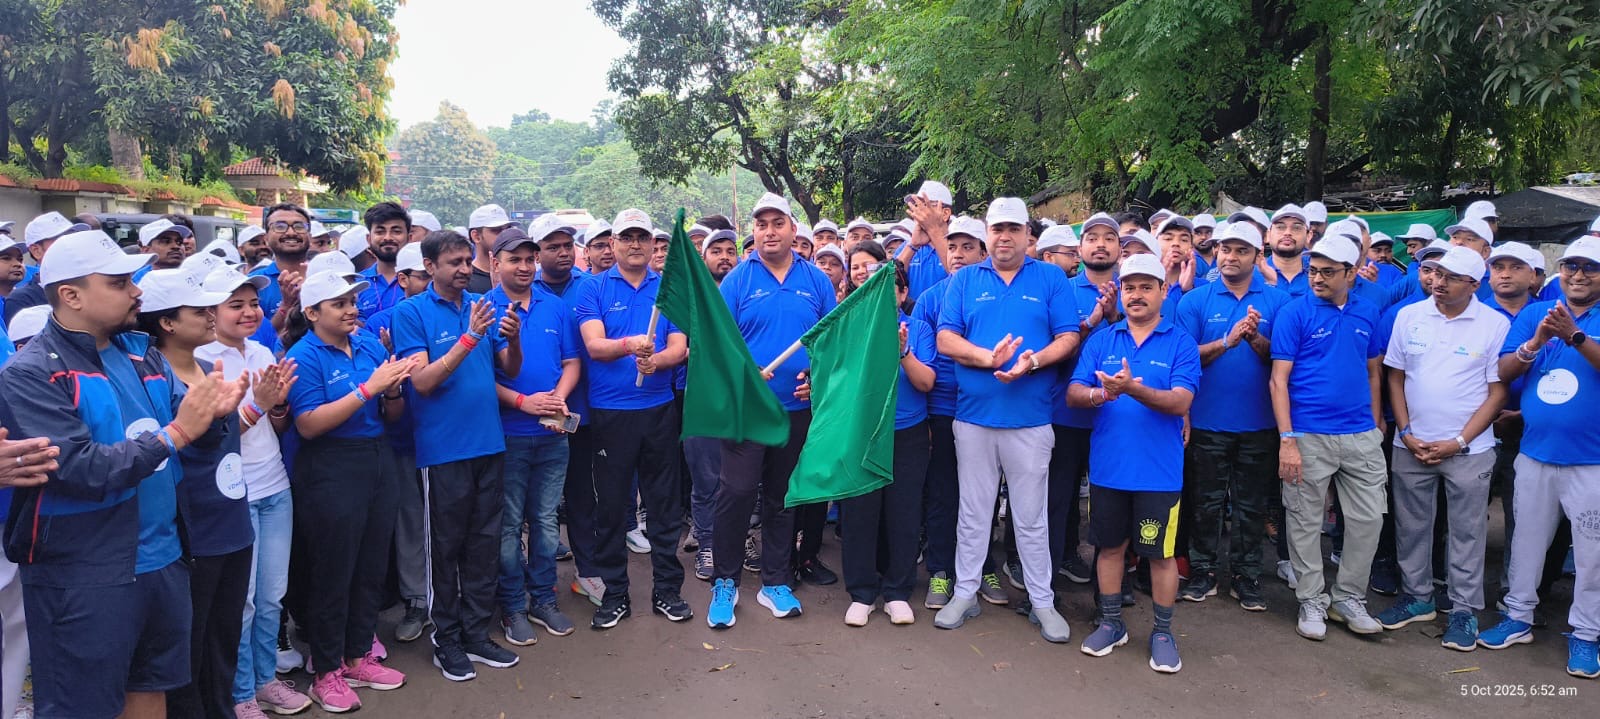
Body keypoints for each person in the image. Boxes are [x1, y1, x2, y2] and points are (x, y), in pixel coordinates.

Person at [0, 229, 243, 719]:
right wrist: (178, 432)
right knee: (82, 704)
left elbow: (190, 435)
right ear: (71, 295)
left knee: (150, 690)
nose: (136, 291)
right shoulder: (31, 372)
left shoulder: (141, 352)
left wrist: (214, 417)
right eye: (118, 283)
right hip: (85, 574)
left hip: (164, 559)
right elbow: (80, 468)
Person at [932, 197, 1082, 643]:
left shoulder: (1050, 278)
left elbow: (1069, 337)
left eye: (1013, 229)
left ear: (1027, 235)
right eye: (997, 229)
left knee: (1031, 518)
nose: (1004, 237)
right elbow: (945, 338)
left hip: (1031, 420)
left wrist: (1032, 361)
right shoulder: (964, 280)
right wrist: (987, 358)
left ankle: (1042, 601)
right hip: (973, 418)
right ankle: (965, 593)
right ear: (987, 234)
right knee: (973, 513)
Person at [391, 230, 524, 680]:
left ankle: (476, 634)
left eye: (469, 260)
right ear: (430, 266)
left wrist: (514, 339)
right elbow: (422, 383)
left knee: (484, 546)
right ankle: (445, 641)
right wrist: (468, 338)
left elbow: (510, 369)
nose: (466, 269)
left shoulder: (481, 305)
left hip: (489, 443)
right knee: (444, 550)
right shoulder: (411, 313)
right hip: (443, 451)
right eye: (455, 262)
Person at [281, 271, 415, 711]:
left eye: (353, 302)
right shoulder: (303, 356)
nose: (351, 310)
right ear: (312, 312)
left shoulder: (369, 345)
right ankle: (325, 671)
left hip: (376, 458)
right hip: (330, 465)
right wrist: (368, 389)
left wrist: (391, 391)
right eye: (338, 303)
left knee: (371, 564)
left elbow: (392, 414)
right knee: (333, 571)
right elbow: (308, 424)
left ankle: (358, 656)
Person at [706, 193, 838, 629]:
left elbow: (830, 342)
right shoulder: (737, 281)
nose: (769, 231)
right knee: (736, 494)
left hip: (795, 412)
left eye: (777, 223)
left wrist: (817, 376)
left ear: (793, 229)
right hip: (747, 411)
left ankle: (775, 581)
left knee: (783, 498)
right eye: (761, 224)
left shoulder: (815, 280)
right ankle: (725, 582)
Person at [1068, 252, 1200, 673]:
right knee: (1109, 549)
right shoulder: (1102, 341)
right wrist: (1102, 394)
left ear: (1164, 291)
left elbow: (1180, 402)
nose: (1137, 295)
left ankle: (1162, 632)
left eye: (1146, 287)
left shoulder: (1180, 343)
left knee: (1160, 556)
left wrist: (1132, 390)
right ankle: (1111, 623)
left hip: (1159, 474)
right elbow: (1074, 392)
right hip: (1109, 469)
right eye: (1129, 287)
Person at [132, 269, 255, 719]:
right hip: (192, 528)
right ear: (166, 322)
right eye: (199, 310)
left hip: (231, 519)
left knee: (224, 637)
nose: (210, 316)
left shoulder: (207, 369)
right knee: (191, 645)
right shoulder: (149, 378)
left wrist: (254, 407)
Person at [1375, 246, 1509, 651]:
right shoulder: (1409, 315)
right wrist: (1406, 431)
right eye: (1434, 273)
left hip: (1469, 449)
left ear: (1474, 284)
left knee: (1467, 532)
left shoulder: (1493, 324)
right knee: (1411, 526)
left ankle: (1464, 610)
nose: (1438, 282)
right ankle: (1418, 597)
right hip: (1412, 444)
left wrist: (1458, 441)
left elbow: (1497, 392)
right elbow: (1395, 377)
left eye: (1450, 277)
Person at [191, 265, 308, 717]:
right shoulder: (201, 361)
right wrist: (259, 407)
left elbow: (274, 426)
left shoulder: (261, 350)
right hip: (233, 494)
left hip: (274, 484)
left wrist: (277, 408)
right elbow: (209, 438)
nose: (249, 312)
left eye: (254, 304)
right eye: (235, 305)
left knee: (272, 597)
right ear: (210, 312)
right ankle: (239, 693)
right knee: (240, 602)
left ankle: (265, 681)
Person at [1482, 236, 1600, 679]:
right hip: (1535, 452)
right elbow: (1505, 369)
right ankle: (1518, 616)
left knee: (1592, 553)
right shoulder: (1537, 313)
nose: (1578, 275)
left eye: (1590, 267)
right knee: (1526, 542)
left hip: (1592, 460)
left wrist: (1574, 336)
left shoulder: (1580, 322)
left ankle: (1587, 633)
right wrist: (1537, 340)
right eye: (1571, 266)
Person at [575, 209, 692, 629]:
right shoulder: (593, 288)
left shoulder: (668, 289)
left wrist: (656, 361)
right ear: (613, 244)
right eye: (627, 237)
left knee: (663, 506)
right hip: (611, 413)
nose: (635, 244)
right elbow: (594, 346)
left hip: (658, 410)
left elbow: (679, 346)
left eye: (642, 237)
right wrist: (630, 345)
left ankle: (667, 591)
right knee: (611, 507)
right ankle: (615, 594)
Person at [1269, 234, 1388, 641]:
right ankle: (1311, 599)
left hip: (1360, 434)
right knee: (1304, 519)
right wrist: (1288, 439)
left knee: (1368, 518)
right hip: (1308, 433)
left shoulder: (1367, 312)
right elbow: (1279, 380)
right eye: (1313, 271)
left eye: (1328, 272)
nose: (1317, 278)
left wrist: (1375, 421)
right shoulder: (1294, 312)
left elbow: (1373, 370)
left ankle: (1349, 597)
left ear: (1351, 273)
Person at [1174, 222, 1289, 611]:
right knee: (1204, 503)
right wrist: (1227, 341)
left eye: (1241, 250)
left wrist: (1254, 338)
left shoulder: (1277, 301)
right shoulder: (1195, 300)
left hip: (1260, 423)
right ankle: (1203, 571)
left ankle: (1246, 576)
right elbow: (1185, 358)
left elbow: (1284, 359)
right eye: (1225, 249)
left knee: (1251, 505)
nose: (1231, 257)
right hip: (1207, 422)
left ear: (1258, 256)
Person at [486, 218, 584, 643]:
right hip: (506, 434)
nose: (524, 267)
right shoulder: (482, 309)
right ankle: (512, 605)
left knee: (545, 521)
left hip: (551, 434)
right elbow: (481, 377)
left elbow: (571, 362)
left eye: (530, 259)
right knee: (509, 525)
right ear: (496, 263)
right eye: (515, 260)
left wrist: (558, 398)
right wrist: (522, 402)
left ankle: (544, 599)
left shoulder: (554, 306)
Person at [913, 216, 1008, 607]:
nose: (958, 254)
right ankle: (940, 571)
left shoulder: (995, 294)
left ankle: (983, 566)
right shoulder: (930, 298)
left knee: (983, 495)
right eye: (952, 247)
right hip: (942, 409)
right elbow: (920, 360)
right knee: (942, 493)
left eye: (968, 247)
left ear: (983, 253)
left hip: (986, 407)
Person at [840, 262, 934, 626]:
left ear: (903, 292)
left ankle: (897, 591)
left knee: (904, 513)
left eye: (890, 287)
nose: (881, 294)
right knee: (860, 513)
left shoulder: (919, 329)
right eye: (874, 286)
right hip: (862, 434)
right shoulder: (851, 327)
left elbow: (925, 383)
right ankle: (862, 593)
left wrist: (903, 352)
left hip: (907, 433)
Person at [360, 243, 433, 644]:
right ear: (403, 279)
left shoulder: (451, 311)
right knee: (409, 522)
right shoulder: (380, 323)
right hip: (402, 438)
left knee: (450, 520)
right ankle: (417, 600)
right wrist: (389, 355)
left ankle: (454, 596)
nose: (429, 281)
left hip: (446, 436)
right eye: (421, 275)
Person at [685, 228, 742, 580]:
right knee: (706, 478)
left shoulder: (746, 292)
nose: (724, 257)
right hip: (704, 401)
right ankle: (707, 543)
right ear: (703, 257)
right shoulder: (692, 297)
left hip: (740, 403)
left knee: (739, 481)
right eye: (716, 251)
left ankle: (739, 541)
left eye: (730, 251)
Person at [248, 204, 314, 352]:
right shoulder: (252, 283)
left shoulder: (326, 276)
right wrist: (286, 305)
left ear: (310, 236)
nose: (291, 232)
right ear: (266, 238)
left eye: (299, 226)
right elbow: (255, 339)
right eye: (280, 226)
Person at [3, 211, 87, 323]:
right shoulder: (22, 299)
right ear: (36, 251)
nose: (72, 245)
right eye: (61, 240)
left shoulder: (90, 287)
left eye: (73, 238)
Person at [896, 181, 953, 300]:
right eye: (916, 206)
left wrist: (933, 231)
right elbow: (889, 282)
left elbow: (960, 277)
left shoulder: (958, 244)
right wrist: (913, 245)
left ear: (945, 213)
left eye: (925, 206)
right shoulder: (907, 246)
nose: (918, 212)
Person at [358, 202, 411, 320]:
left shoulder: (422, 280)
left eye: (396, 231)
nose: (388, 237)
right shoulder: (357, 284)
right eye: (380, 232)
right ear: (369, 239)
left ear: (409, 238)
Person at [467, 204, 517, 293]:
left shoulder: (519, 273)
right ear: (476, 236)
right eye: (496, 230)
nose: (504, 235)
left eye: (508, 229)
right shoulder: (465, 279)